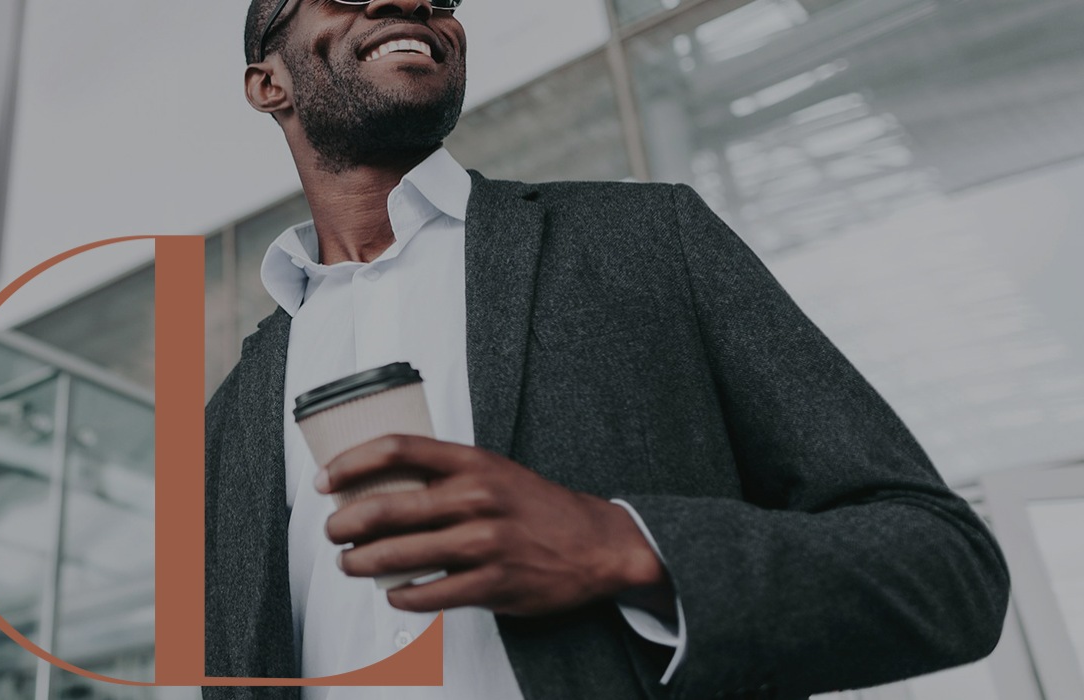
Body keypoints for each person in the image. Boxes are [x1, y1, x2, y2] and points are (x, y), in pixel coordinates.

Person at [201, 0, 1011, 698]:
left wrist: (626, 546)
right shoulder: (226, 418)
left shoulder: (648, 240)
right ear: (267, 83)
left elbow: (946, 568)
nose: (406, 3)